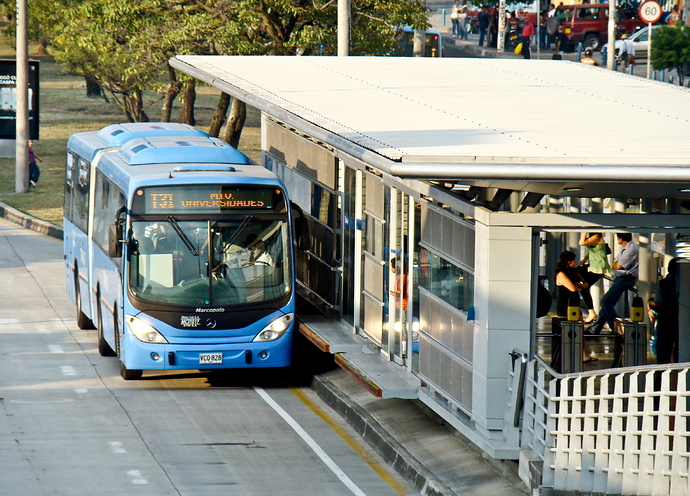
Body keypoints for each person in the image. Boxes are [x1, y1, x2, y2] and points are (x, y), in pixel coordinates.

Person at [586, 233, 639, 335]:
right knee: (607, 305)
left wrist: (616, 263)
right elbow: (615, 262)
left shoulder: (631, 249)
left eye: (618, 237)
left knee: (605, 302)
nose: (617, 239)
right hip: (620, 278)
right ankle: (594, 330)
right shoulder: (624, 248)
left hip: (625, 279)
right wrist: (616, 263)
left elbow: (618, 265)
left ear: (621, 238)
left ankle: (617, 328)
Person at [555, 250, 595, 362]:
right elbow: (573, 288)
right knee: (567, 330)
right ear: (568, 262)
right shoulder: (561, 274)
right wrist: (578, 284)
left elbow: (585, 284)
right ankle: (565, 354)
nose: (575, 262)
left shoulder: (573, 272)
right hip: (565, 305)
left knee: (580, 329)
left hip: (575, 305)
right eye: (573, 260)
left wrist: (578, 284)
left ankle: (583, 355)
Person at [577, 232, 610, 322]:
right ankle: (590, 311)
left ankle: (591, 312)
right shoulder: (594, 237)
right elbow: (592, 250)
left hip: (598, 268)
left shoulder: (597, 236)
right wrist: (585, 258)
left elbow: (581, 243)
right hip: (593, 266)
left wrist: (584, 232)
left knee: (584, 287)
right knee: (576, 272)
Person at [654, 258, 679, 364]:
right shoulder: (685, 283)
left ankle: (660, 378)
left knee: (663, 354)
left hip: (665, 323)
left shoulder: (663, 283)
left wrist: (669, 313)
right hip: (683, 323)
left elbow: (659, 303)